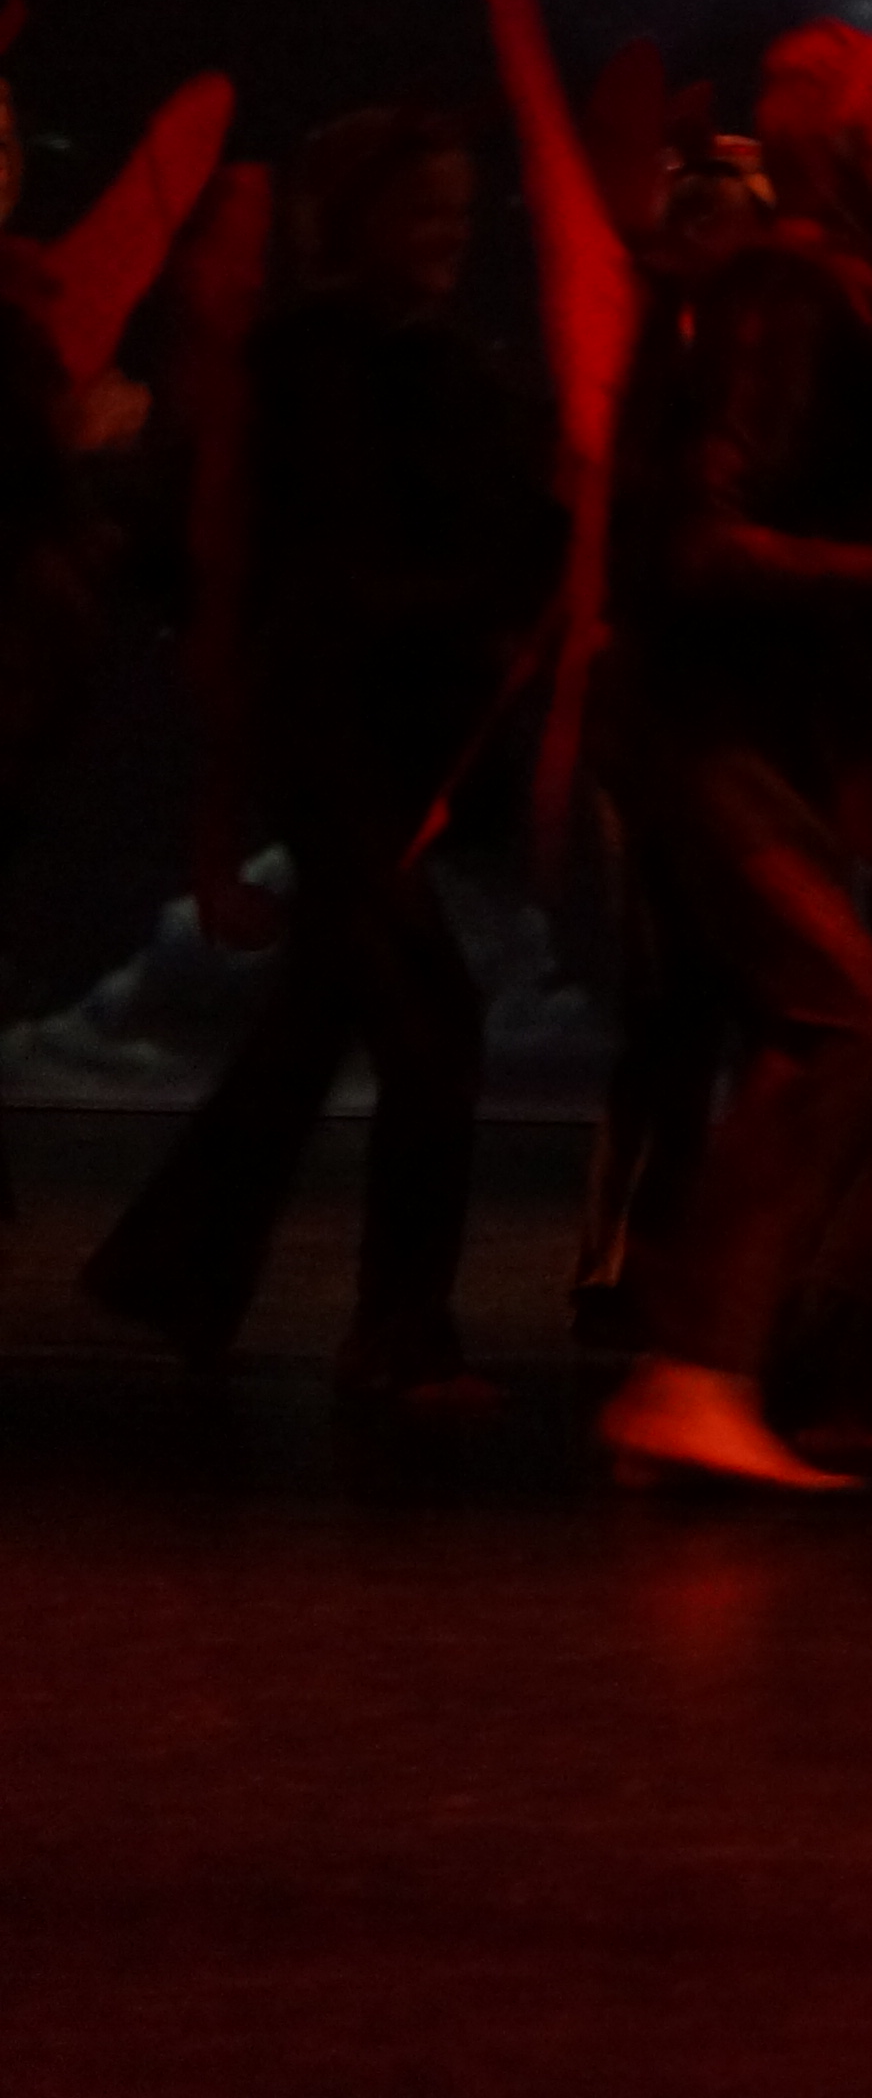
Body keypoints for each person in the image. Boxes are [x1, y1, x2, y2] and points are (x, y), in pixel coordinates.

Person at [588, 21, 872, 1494]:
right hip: (704, 728)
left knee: (824, 1033)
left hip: (755, 730)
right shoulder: (782, 296)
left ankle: (701, 1371)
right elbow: (699, 541)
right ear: (852, 155)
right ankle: (691, 1369)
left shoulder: (846, 299)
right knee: (850, 1026)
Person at [82, 110, 558, 1411]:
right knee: (429, 1022)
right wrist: (487, 598)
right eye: (424, 210)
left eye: (459, 210)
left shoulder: (428, 356)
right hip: (337, 728)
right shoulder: (321, 358)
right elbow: (334, 562)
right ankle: (399, 1334)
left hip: (387, 733)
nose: (450, 234)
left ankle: (174, 1267)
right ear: (356, 217)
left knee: (320, 1019)